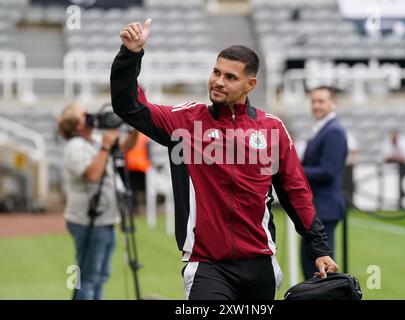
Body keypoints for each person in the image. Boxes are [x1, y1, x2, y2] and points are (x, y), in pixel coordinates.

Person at [110, 18, 338, 300]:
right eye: (216, 72)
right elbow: (128, 105)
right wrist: (130, 55)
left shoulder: (272, 129)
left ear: (250, 84)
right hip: (208, 266)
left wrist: (320, 249)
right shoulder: (184, 121)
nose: (218, 81)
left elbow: (296, 191)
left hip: (260, 264)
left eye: (230, 77)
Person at [58, 102, 138, 300]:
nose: (92, 116)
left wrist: (136, 128)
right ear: (77, 125)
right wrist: (104, 146)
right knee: (89, 277)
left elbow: (124, 148)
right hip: (88, 220)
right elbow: (92, 175)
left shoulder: (92, 140)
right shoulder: (75, 147)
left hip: (104, 218)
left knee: (100, 276)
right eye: (85, 115)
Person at [300, 86, 348, 280]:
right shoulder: (322, 129)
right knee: (309, 264)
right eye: (313, 101)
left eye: (321, 101)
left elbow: (328, 171)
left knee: (321, 269)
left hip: (324, 208)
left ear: (333, 103)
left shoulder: (333, 131)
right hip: (317, 208)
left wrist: (294, 170)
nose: (316, 105)